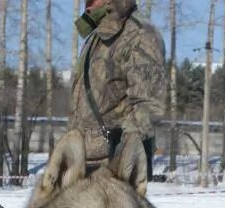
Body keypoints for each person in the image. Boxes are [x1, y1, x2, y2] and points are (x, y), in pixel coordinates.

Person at [71, 0, 166, 176]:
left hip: (112, 171)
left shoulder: (140, 33)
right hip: (83, 164)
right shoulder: (98, 36)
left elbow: (147, 105)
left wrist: (123, 164)